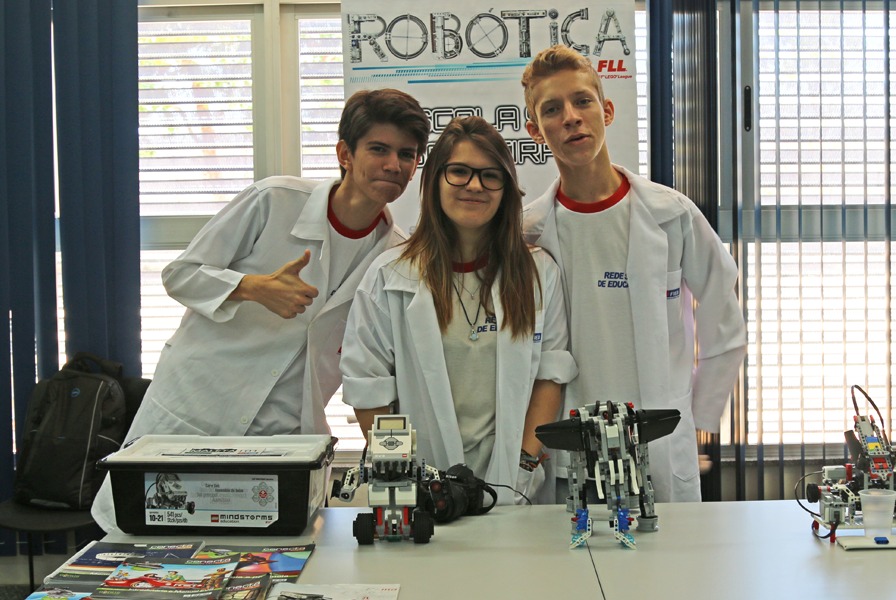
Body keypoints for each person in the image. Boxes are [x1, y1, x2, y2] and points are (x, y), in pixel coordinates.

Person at [90, 88, 430, 531]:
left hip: (284, 433)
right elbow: (180, 273)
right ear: (344, 153)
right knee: (145, 540)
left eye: (407, 154)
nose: (393, 165)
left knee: (267, 559)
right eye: (379, 149)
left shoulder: (396, 255)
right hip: (198, 410)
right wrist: (251, 287)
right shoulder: (275, 200)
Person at [520, 45, 747, 502]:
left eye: (582, 101)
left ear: (606, 110)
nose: (571, 117)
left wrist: (697, 420)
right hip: (567, 448)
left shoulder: (671, 214)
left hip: (661, 443)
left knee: (668, 570)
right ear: (535, 130)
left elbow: (724, 315)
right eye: (552, 109)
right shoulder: (528, 231)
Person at [340, 116, 577, 505]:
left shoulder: (538, 272)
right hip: (422, 486)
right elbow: (369, 391)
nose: (474, 186)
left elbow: (550, 374)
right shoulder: (389, 276)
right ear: (434, 180)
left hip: (513, 483)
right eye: (459, 172)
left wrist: (524, 462)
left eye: (489, 176)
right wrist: (405, 474)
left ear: (505, 189)